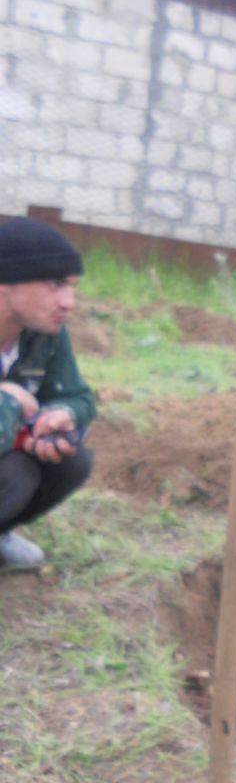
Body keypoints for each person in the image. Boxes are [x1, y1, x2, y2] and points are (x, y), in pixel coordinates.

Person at [0, 218, 96, 569]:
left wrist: (61, 414)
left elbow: (81, 398)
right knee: (16, 477)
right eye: (55, 284)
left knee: (71, 462)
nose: (69, 301)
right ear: (5, 285)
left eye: (70, 286)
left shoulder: (46, 333)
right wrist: (8, 401)